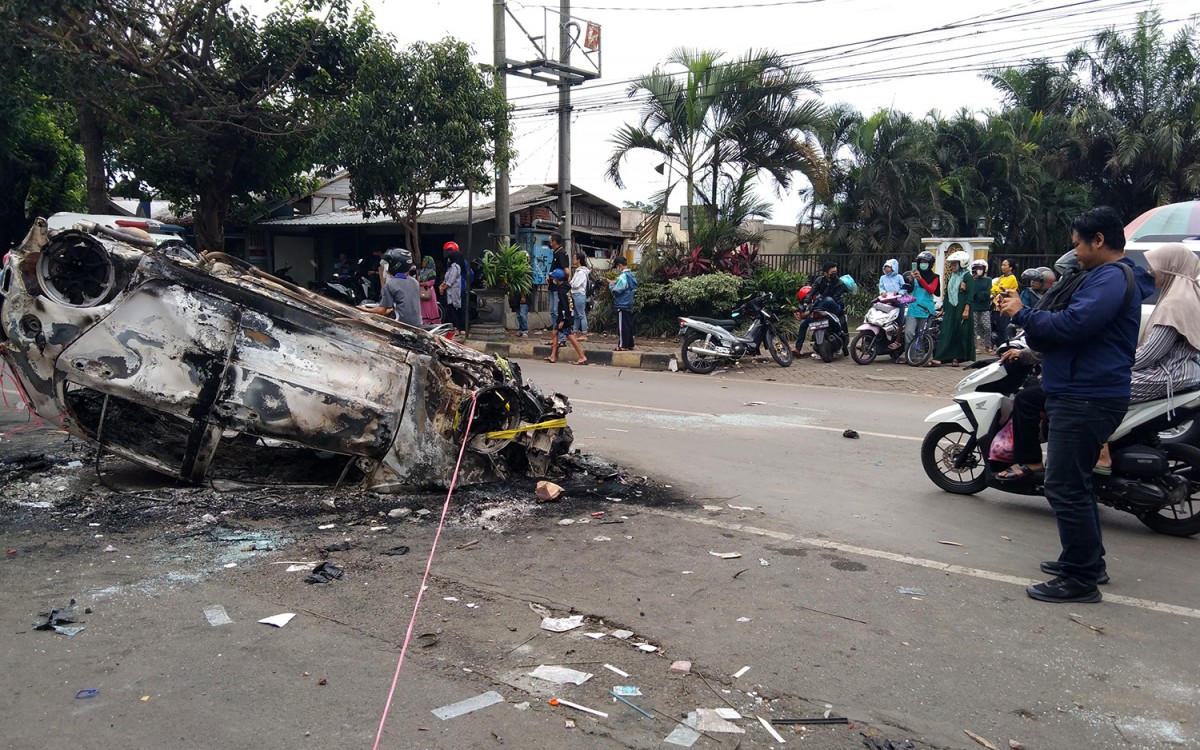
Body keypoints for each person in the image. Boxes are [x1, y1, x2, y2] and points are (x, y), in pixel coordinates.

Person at [997, 206, 1154, 604]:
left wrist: (1024, 314)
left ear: (1098, 240)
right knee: (1075, 481)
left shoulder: (1109, 278)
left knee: (1063, 483)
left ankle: (1080, 578)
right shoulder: (1106, 276)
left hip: (1088, 395)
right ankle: (1087, 560)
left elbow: (1073, 325)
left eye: (1078, 246)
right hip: (1082, 390)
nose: (1075, 254)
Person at [1094, 243, 1200, 472]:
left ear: (1171, 268)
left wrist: (1112, 365)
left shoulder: (1176, 303)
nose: (1150, 271)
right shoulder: (1186, 294)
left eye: (1156, 267)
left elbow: (1150, 354)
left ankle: (1101, 455)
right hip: (1180, 372)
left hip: (1168, 375)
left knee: (1097, 390)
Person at [793, 261, 848, 357]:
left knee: (828, 299)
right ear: (825, 273)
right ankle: (797, 348)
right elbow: (811, 293)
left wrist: (810, 310)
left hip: (834, 307)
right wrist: (805, 305)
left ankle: (844, 346)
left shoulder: (840, 283)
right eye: (832, 273)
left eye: (835, 272)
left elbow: (832, 297)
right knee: (804, 324)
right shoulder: (819, 280)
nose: (834, 274)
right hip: (820, 309)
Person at [931, 250, 974, 366]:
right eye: (952, 264)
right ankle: (941, 357)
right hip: (950, 307)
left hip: (962, 307)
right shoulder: (951, 276)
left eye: (955, 264)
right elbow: (947, 293)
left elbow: (970, 295)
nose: (952, 266)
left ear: (962, 263)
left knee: (960, 332)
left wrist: (966, 309)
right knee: (946, 331)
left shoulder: (968, 277)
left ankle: (958, 358)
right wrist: (943, 309)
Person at [366, 248, 422, 327]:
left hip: (401, 326)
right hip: (418, 325)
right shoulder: (415, 282)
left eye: (388, 265)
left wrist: (361, 308)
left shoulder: (390, 284)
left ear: (396, 266)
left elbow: (381, 311)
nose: (387, 268)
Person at [545, 269, 587, 365]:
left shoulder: (562, 290)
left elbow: (565, 305)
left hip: (565, 317)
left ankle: (582, 356)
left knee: (570, 336)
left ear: (557, 279)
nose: (553, 280)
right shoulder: (565, 287)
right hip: (565, 315)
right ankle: (552, 356)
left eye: (554, 278)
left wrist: (563, 320)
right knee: (555, 332)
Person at [903, 251, 939, 353]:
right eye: (921, 262)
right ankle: (909, 354)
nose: (923, 264)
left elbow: (931, 290)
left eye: (925, 262)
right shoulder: (914, 275)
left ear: (930, 264)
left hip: (926, 309)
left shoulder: (934, 277)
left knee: (922, 334)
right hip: (913, 308)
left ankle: (920, 355)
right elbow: (909, 290)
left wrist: (921, 279)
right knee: (909, 332)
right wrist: (911, 279)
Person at [610, 256, 637, 351]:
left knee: (622, 327)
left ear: (619, 266)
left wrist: (611, 285)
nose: (617, 269)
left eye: (617, 267)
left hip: (622, 303)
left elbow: (617, 290)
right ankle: (629, 344)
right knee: (628, 325)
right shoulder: (631, 275)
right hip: (629, 303)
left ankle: (622, 345)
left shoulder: (623, 276)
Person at [546, 232, 570, 336]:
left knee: (557, 312)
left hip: (558, 287)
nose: (549, 243)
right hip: (552, 286)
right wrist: (549, 276)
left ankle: (561, 337)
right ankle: (555, 336)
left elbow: (567, 271)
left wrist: (563, 283)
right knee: (552, 311)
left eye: (550, 241)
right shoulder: (556, 253)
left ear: (554, 242)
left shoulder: (561, 253)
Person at [440, 243, 467, 333]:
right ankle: (455, 327)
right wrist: (442, 285)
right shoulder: (450, 266)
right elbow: (447, 278)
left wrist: (443, 288)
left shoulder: (456, 266)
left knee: (458, 309)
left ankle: (461, 328)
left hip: (457, 291)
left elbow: (451, 280)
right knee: (451, 309)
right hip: (450, 292)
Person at [990, 258, 1018, 345]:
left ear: (1010, 268)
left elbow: (1002, 291)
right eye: (1002, 265)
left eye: (1005, 265)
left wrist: (997, 289)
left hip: (1005, 306)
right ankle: (1000, 346)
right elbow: (993, 289)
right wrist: (997, 289)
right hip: (996, 306)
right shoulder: (1001, 278)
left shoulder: (1012, 278)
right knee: (997, 328)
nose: (1002, 267)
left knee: (1004, 328)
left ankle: (1006, 346)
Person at [970, 259, 994, 353]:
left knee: (987, 327)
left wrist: (980, 295)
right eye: (976, 268)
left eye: (980, 268)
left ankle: (988, 346)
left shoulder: (988, 280)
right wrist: (980, 294)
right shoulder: (972, 280)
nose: (978, 270)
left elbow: (988, 293)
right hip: (974, 307)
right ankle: (976, 346)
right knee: (974, 327)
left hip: (984, 307)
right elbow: (972, 293)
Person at [571, 250, 590, 339]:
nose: (573, 260)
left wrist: (570, 284)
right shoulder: (578, 271)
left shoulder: (582, 272)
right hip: (575, 294)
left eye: (574, 258)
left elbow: (575, 284)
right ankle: (574, 332)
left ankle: (584, 333)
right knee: (576, 315)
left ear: (579, 260)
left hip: (579, 294)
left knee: (581, 314)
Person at [417, 256, 440, 325]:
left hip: (429, 291)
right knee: (423, 307)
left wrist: (420, 284)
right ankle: (425, 322)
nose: (422, 262)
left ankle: (433, 322)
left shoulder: (432, 272)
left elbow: (431, 282)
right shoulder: (422, 271)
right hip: (422, 291)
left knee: (430, 307)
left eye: (424, 261)